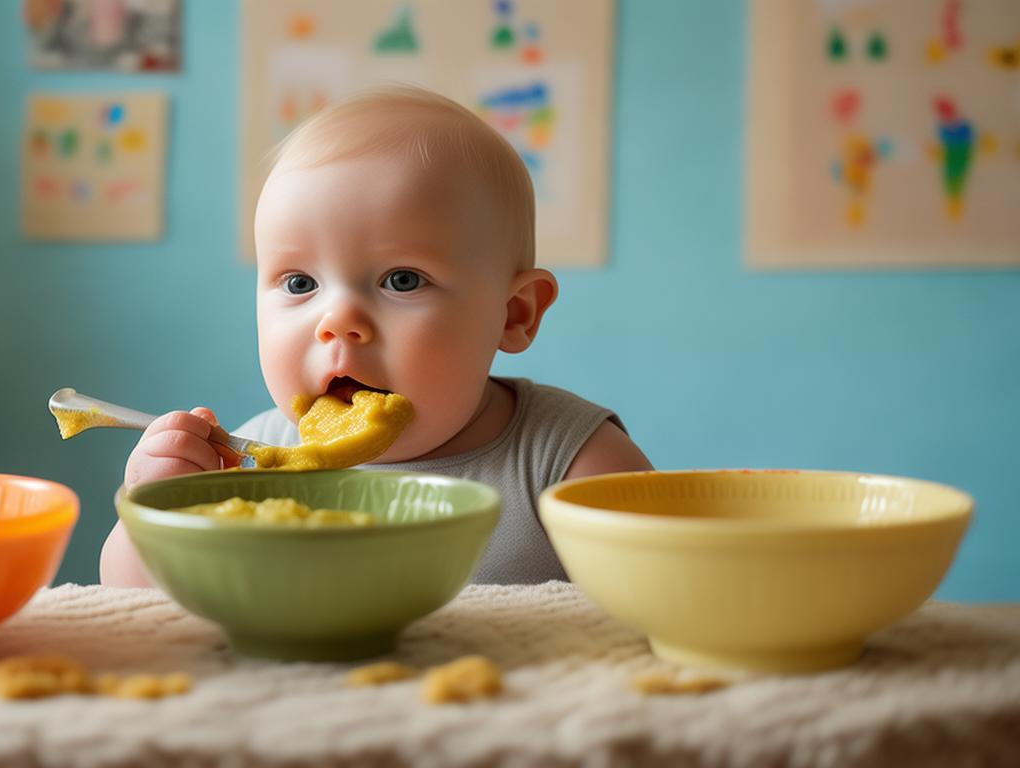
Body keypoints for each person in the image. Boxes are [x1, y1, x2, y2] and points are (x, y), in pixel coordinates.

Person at [101, 84, 652, 587]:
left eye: (402, 280)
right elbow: (136, 603)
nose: (337, 321)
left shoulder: (568, 462)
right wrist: (154, 512)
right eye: (300, 283)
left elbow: (658, 598)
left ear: (513, 314)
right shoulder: (250, 463)